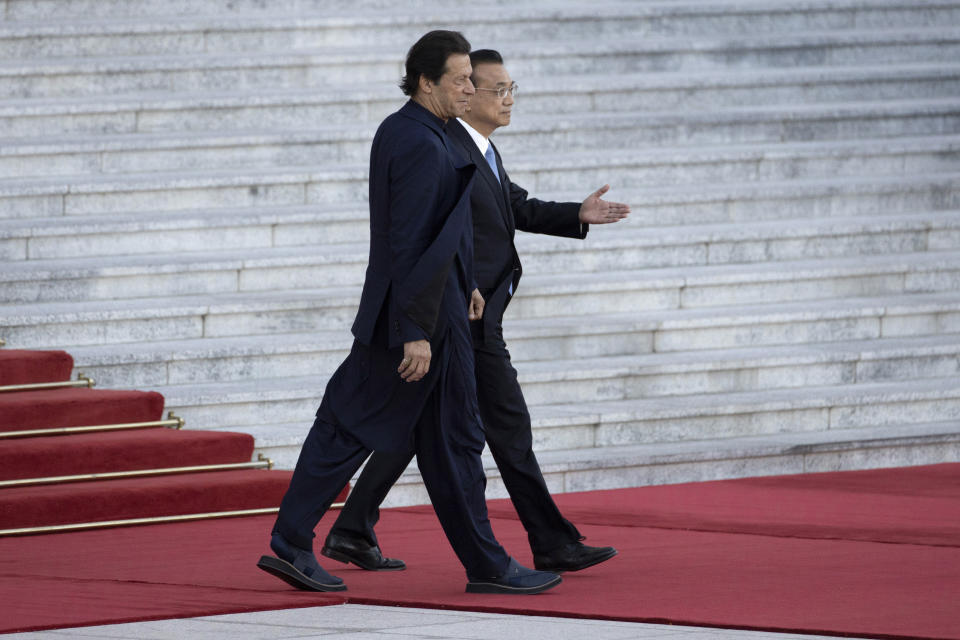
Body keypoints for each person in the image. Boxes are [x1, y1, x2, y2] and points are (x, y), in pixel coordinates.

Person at [256, 32, 561, 596]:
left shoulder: (422, 132)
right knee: (348, 427)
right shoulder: (420, 141)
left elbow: (444, 231)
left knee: (451, 442)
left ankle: (487, 565)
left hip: (432, 309)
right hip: (416, 322)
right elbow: (409, 241)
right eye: (461, 79)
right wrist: (415, 331)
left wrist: (465, 282)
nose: (471, 87)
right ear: (427, 82)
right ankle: (293, 538)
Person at [321, 49, 630, 575]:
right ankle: (547, 542)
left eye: (511, 89)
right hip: (464, 316)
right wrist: (446, 299)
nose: (505, 98)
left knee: (417, 426)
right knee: (505, 426)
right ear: (461, 94)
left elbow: (511, 204)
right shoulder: (445, 147)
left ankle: (351, 528)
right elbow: (430, 237)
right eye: (493, 88)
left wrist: (575, 214)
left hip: (472, 314)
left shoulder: (482, 148)